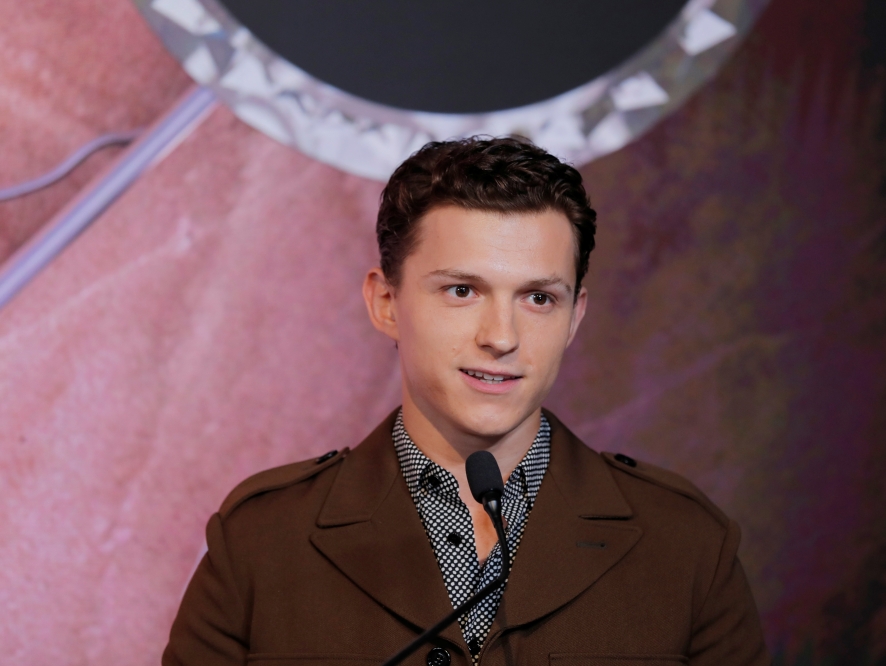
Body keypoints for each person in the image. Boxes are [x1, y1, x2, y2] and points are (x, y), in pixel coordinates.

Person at [163, 137, 770, 666]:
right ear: (385, 302)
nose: (501, 336)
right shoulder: (263, 543)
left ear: (575, 315)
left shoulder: (687, 546)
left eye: (538, 299)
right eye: (462, 290)